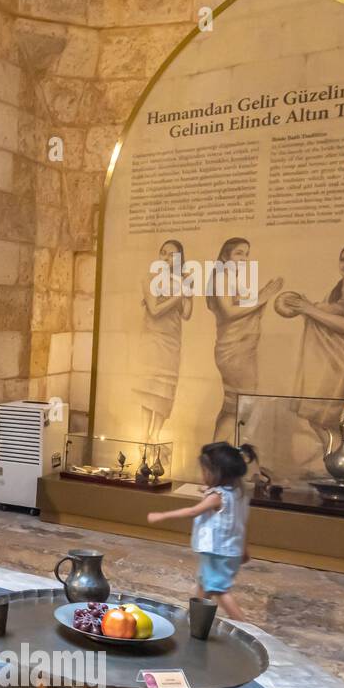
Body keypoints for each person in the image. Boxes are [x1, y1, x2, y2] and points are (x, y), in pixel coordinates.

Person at [146, 441, 256, 623]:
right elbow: (241, 522)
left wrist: (162, 515)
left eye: (205, 471)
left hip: (218, 552)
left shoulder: (216, 497)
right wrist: (244, 549)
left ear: (216, 473)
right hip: (230, 551)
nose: (202, 475)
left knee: (220, 590)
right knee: (206, 583)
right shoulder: (238, 493)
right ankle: (194, 618)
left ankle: (249, 628)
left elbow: (193, 511)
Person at [286, 243, 344, 446]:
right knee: (316, 419)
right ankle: (336, 463)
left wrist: (310, 309)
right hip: (321, 363)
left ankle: (341, 463)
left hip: (341, 362)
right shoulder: (336, 289)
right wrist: (305, 308)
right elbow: (324, 320)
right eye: (343, 259)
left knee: (325, 419)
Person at [205, 238, 283, 442]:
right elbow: (229, 312)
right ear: (225, 256)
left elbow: (246, 309)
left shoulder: (232, 279)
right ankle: (219, 454)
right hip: (233, 349)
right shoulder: (220, 277)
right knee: (239, 405)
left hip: (244, 348)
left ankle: (220, 454)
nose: (244, 259)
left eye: (246, 254)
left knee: (236, 405)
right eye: (239, 253)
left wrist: (262, 296)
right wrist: (264, 296)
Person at [133, 240, 192, 444]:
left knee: (165, 390)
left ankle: (155, 435)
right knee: (150, 387)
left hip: (172, 341)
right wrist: (180, 294)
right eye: (163, 253)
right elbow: (155, 310)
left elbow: (186, 314)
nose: (166, 258)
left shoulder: (181, 281)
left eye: (172, 255)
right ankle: (143, 435)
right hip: (153, 339)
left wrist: (188, 294)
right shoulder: (149, 279)